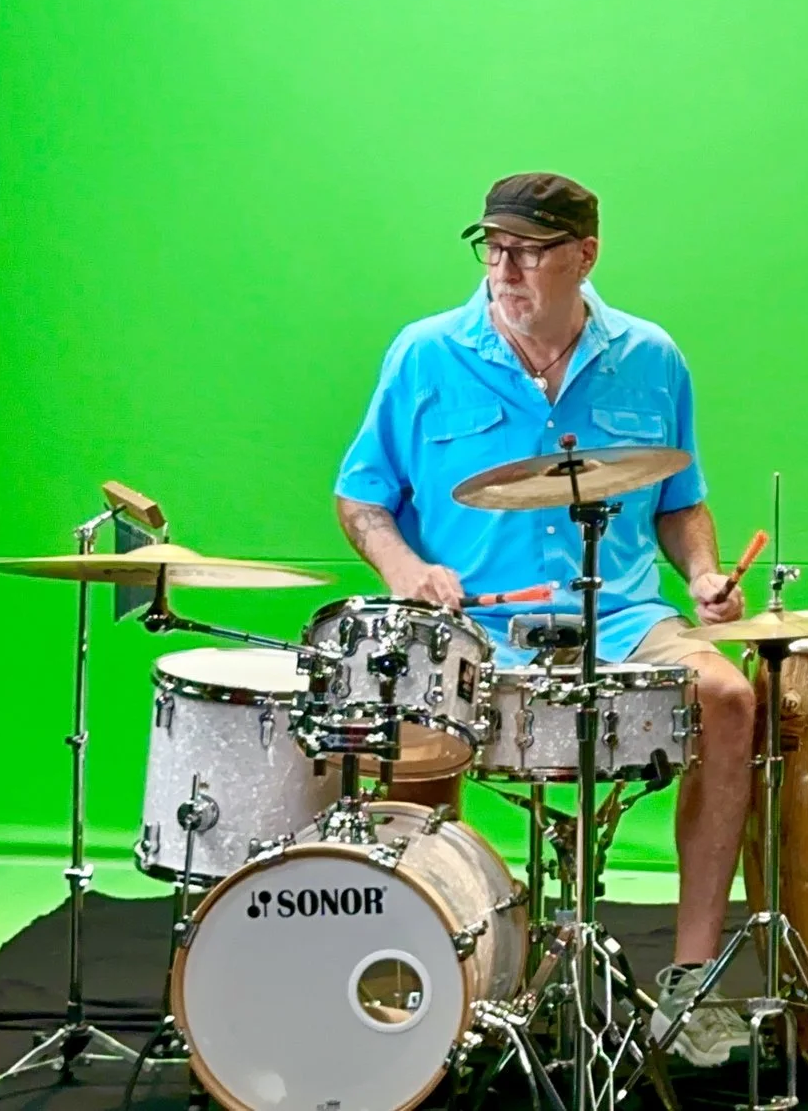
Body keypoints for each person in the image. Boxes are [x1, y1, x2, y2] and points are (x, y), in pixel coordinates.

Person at [334, 172, 756, 1066]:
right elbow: (362, 500)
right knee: (407, 739)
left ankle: (689, 984)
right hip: (473, 628)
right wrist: (407, 569)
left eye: (529, 252)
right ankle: (427, 979)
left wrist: (708, 574)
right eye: (493, 249)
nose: (505, 269)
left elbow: (680, 503)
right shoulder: (424, 354)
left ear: (585, 256)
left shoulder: (652, 356)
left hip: (621, 614)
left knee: (729, 697)